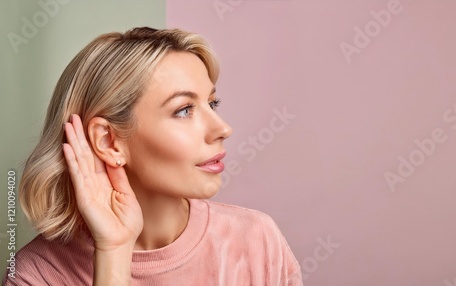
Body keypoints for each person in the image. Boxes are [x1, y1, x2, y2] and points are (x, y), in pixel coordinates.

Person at [2, 27, 302, 285]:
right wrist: (114, 253)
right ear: (109, 141)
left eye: (213, 103)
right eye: (184, 110)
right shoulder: (37, 274)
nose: (222, 128)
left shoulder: (257, 241)